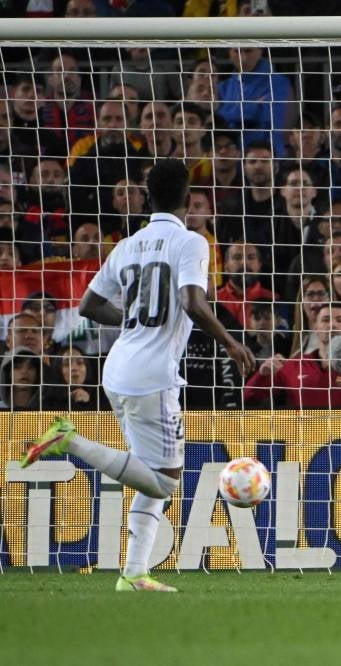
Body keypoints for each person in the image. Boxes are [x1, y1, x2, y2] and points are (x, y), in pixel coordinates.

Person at [20, 158, 255, 593]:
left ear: (147, 198)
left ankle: (134, 573)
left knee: (148, 474)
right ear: (188, 199)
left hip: (118, 368)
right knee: (164, 480)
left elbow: (89, 306)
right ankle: (69, 440)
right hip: (152, 376)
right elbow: (193, 302)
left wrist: (131, 319)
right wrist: (230, 342)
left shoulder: (127, 245)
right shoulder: (191, 241)